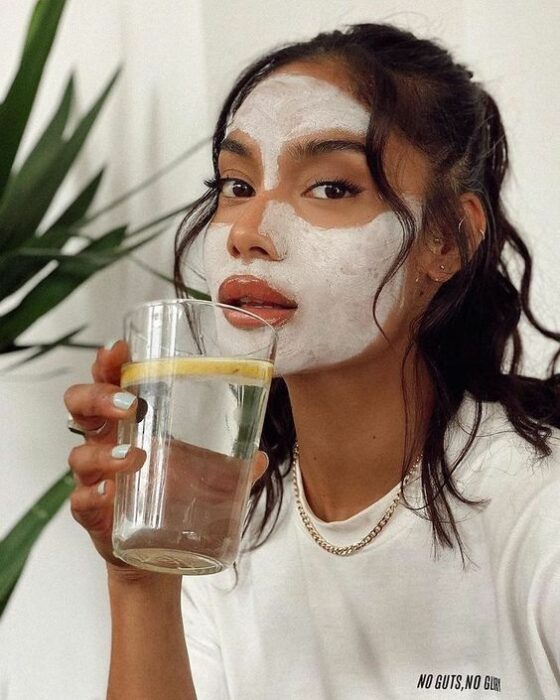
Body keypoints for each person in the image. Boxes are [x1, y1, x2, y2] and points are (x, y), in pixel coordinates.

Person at [64, 23, 560, 700]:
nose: (246, 232)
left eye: (330, 188)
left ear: (446, 240)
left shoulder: (542, 514)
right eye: (237, 185)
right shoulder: (221, 530)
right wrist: (142, 582)